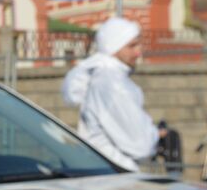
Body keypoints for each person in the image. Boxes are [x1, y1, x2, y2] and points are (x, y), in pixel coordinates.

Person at [61, 17, 159, 171]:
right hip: (116, 178)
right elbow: (141, 145)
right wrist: (156, 134)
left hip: (107, 172)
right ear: (115, 48)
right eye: (132, 46)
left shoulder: (106, 77)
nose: (139, 52)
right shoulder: (112, 84)